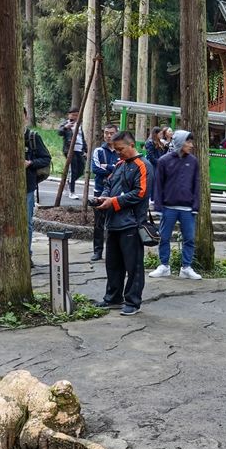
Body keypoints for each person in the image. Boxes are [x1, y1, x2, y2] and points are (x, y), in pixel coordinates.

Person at [93, 131, 153, 316]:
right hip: (113, 222)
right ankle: (113, 297)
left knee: (133, 266)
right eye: (116, 149)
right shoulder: (119, 165)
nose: (118, 153)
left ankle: (133, 302)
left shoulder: (143, 165)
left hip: (132, 224)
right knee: (113, 264)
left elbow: (140, 193)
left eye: (120, 149)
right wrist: (103, 197)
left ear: (132, 145)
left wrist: (114, 202)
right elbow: (109, 184)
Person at [149, 130, 202, 280]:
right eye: (188, 142)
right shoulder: (164, 161)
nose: (191, 145)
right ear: (179, 142)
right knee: (164, 237)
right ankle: (164, 266)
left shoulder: (193, 161)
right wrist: (158, 206)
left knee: (189, 239)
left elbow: (196, 184)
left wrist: (195, 205)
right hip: (168, 207)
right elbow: (158, 185)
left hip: (187, 208)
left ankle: (186, 267)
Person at [24, 109, 51, 264]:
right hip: (7, 189)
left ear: (25, 117)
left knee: (27, 223)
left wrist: (30, 163)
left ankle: (27, 255)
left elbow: (46, 158)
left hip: (27, 187)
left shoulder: (33, 137)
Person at [89, 123, 119, 262]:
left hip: (116, 194)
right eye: (106, 132)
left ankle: (113, 253)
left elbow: (122, 170)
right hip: (99, 192)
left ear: (116, 134)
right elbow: (96, 169)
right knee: (98, 224)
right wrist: (113, 169)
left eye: (111, 133)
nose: (108, 135)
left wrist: (107, 167)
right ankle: (97, 251)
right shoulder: (99, 151)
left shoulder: (120, 151)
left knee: (115, 224)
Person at [57, 107, 86, 199]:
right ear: (69, 115)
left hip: (79, 150)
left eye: (77, 115)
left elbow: (82, 138)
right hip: (70, 150)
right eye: (73, 115)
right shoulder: (66, 124)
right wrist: (66, 127)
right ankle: (71, 192)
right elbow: (59, 132)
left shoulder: (80, 125)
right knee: (73, 170)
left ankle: (68, 183)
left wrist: (86, 150)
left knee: (81, 169)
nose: (75, 117)